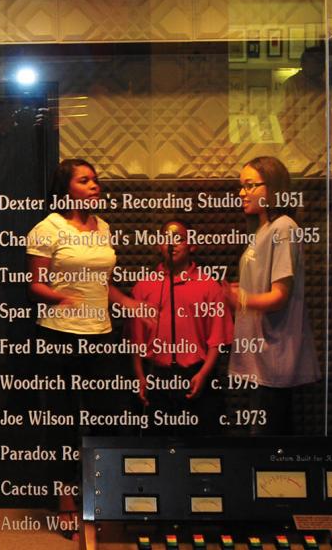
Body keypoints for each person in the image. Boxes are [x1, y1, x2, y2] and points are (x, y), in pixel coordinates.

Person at [24, 158, 132, 534]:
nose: (94, 186)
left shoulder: (103, 227)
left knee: (104, 416)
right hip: (59, 335)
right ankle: (65, 499)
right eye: (84, 180)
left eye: (95, 180)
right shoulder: (47, 228)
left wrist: (131, 304)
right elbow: (35, 284)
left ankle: (98, 494)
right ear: (66, 187)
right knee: (62, 420)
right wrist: (59, 298)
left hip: (100, 334)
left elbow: (105, 285)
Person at [228, 155, 320, 435]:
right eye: (241, 186)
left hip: (274, 354)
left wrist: (241, 299)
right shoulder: (264, 230)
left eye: (250, 185)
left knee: (269, 439)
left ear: (273, 188)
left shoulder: (284, 228)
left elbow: (279, 295)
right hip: (259, 355)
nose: (242, 193)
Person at [128, 219, 232, 434]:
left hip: (196, 374)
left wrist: (203, 374)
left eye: (179, 239)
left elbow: (216, 339)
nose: (172, 244)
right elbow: (135, 342)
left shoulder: (209, 286)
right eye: (166, 239)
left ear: (192, 245)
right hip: (157, 377)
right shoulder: (143, 287)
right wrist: (140, 377)